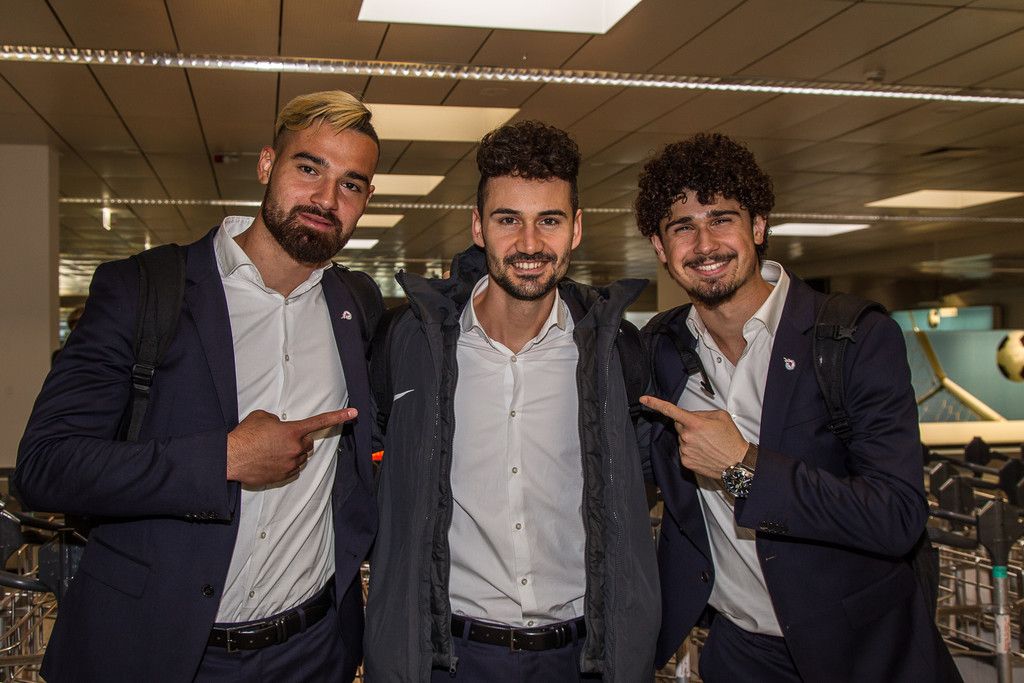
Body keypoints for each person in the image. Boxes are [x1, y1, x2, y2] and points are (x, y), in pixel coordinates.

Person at [16, 90, 383, 682]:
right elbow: (46, 466)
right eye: (309, 168)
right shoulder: (143, 290)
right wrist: (224, 459)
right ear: (267, 164)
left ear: (366, 199)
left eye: (351, 184)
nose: (325, 198)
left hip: (311, 651)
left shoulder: (356, 303)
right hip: (158, 651)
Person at [634, 133, 960, 682]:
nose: (705, 243)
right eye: (682, 227)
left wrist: (741, 465)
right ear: (660, 247)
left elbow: (897, 516)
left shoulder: (852, 338)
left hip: (864, 653)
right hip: (741, 653)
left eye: (722, 219)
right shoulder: (659, 350)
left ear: (758, 226)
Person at [363, 121, 659, 682]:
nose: (528, 244)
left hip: (582, 658)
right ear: (478, 226)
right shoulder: (414, 345)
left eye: (549, 220)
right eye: (507, 220)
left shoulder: (614, 352)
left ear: (576, 228)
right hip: (451, 657)